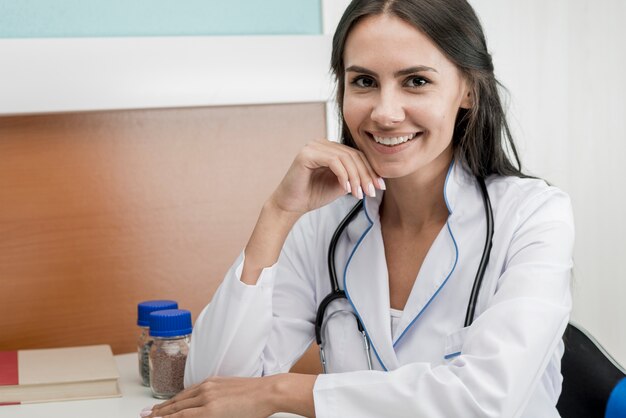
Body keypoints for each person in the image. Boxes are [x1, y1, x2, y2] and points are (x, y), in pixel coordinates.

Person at [143, 0, 574, 416]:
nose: (385, 113)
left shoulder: (533, 217)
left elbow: (483, 401)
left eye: (416, 81)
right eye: (364, 82)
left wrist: (284, 390)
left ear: (467, 89)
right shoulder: (325, 225)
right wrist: (277, 214)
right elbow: (212, 387)